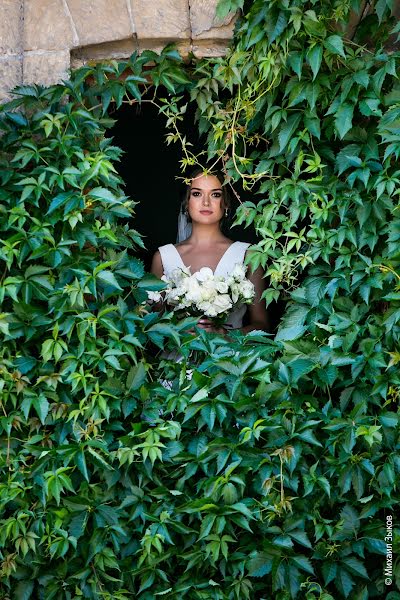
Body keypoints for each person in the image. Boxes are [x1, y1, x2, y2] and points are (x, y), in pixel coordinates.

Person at [150, 168, 269, 334]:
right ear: (186, 201)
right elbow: (152, 325)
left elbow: (262, 324)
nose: (206, 202)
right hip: (177, 357)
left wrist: (226, 335)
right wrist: (178, 331)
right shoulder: (163, 257)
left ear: (226, 203)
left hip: (230, 356)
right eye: (197, 194)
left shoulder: (248, 255)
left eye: (215, 194)